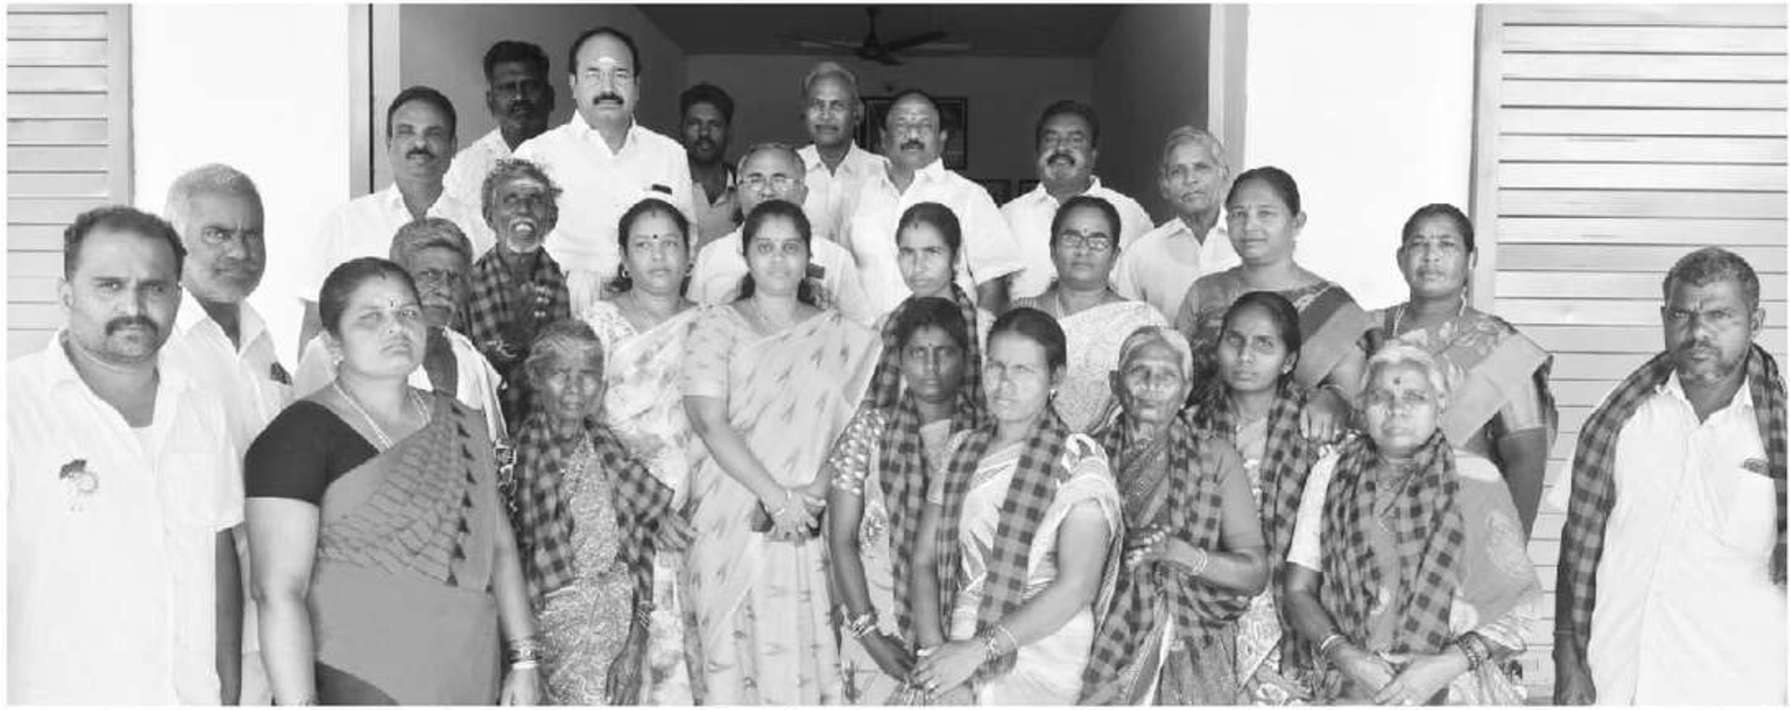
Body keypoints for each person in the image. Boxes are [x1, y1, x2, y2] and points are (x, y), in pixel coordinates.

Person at [246, 258, 541, 705]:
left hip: (467, 669)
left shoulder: (462, 421)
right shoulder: (296, 436)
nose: (395, 327)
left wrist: (524, 659)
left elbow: (498, 547)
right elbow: (278, 591)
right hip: (354, 678)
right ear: (333, 342)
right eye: (371, 317)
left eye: (407, 312)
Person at [9, 206, 242, 704]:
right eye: (109, 286)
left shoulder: (202, 408)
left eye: (154, 287)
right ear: (66, 294)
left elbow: (218, 564)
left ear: (177, 297)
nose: (133, 306)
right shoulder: (15, 407)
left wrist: (227, 696)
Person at [1554, 247, 1786, 705]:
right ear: (1664, 317)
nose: (1698, 332)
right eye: (1682, 315)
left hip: (1741, 687)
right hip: (1618, 680)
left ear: (1755, 322)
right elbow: (1577, 540)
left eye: (1720, 316)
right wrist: (1566, 657)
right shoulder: (1617, 416)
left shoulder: (1782, 431)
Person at [681, 200, 880, 703]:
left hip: (809, 519)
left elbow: (855, 424)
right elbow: (708, 420)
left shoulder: (840, 333)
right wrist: (776, 499)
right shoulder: (714, 325)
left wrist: (810, 495)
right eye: (765, 247)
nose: (778, 259)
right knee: (732, 661)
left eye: (791, 247)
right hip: (731, 519)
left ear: (809, 256)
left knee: (804, 654)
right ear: (745, 254)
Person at [1283, 344, 1541, 705]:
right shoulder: (1331, 473)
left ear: (1441, 402)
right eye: (1380, 397)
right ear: (1362, 404)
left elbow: (1518, 604)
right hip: (1352, 683)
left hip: (1456, 686)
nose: (1396, 409)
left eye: (1415, 397)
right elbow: (1298, 590)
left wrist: (1443, 667)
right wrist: (1347, 657)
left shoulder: (1477, 478)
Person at [909, 307, 1124, 704]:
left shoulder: (1079, 460)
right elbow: (923, 561)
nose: (1004, 383)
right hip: (952, 647)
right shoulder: (961, 450)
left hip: (1043, 652)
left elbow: (1077, 586)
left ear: (1055, 378)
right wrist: (936, 660)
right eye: (996, 366)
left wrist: (977, 652)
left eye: (1023, 370)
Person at [156, 164, 290, 705]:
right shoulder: (159, 345)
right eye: (217, 234)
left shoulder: (261, 337)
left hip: (269, 619)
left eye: (252, 233)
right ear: (176, 241)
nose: (239, 250)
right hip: (189, 627)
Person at [1079, 326, 1267, 704]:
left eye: (1166, 377)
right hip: (1091, 634)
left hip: (1187, 641)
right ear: (1116, 383)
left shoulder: (1215, 457)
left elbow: (1254, 573)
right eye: (1139, 372)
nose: (1151, 385)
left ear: (1185, 391)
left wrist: (1178, 553)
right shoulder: (1086, 456)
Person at [507, 319, 691, 705]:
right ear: (536, 378)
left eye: (588, 375)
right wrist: (525, 660)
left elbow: (637, 552)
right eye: (560, 373)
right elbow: (508, 567)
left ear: (602, 384)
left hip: (618, 633)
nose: (575, 388)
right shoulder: (514, 460)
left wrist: (635, 643)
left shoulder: (609, 450)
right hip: (548, 637)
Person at [824, 297, 983, 703]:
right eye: (918, 353)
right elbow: (841, 540)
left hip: (962, 637)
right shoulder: (868, 431)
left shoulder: (985, 434)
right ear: (899, 359)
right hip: (878, 629)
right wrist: (870, 635)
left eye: (944, 352)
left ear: (965, 358)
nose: (930, 366)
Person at [580, 196, 706, 704]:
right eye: (644, 244)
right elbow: (581, 426)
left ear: (689, 255)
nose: (658, 255)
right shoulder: (599, 323)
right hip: (621, 514)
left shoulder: (713, 323)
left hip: (700, 517)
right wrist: (650, 506)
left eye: (670, 243)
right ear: (624, 258)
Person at [1362, 204, 1555, 534]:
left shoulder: (1501, 346)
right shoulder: (1368, 332)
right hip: (1365, 522)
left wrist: (1508, 547)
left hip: (1461, 528)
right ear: (1400, 258)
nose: (1431, 256)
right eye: (1419, 244)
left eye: (1447, 244)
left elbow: (1526, 459)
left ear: (1472, 259)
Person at [1189, 291, 1326, 704]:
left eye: (1264, 344)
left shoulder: (1317, 431)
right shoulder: (1189, 428)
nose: (1245, 356)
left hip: (1292, 607)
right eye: (1234, 340)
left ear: (1288, 360)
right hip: (1207, 600)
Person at [1174, 165, 1367, 442]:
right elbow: (1173, 372)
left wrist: (1333, 399)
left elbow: (1353, 404)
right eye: (1238, 214)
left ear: (1297, 222)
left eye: (1265, 213)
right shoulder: (1205, 291)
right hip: (1198, 444)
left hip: (1291, 453)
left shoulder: (1334, 309)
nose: (1250, 226)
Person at [299, 86, 494, 350]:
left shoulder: (482, 229)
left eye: (433, 133)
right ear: (389, 144)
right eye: (406, 132)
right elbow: (315, 326)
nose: (420, 144)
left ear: (453, 147)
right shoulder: (345, 223)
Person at [514, 26, 694, 307]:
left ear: (637, 86)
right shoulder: (534, 155)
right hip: (560, 315)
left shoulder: (669, 155)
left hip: (648, 315)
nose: (607, 88)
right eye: (593, 74)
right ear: (573, 84)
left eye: (620, 74)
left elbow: (687, 243)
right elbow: (514, 250)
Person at [293, 218, 506, 443]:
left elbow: (500, 446)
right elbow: (303, 444)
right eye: (429, 275)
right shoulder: (333, 353)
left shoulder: (469, 359)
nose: (445, 289)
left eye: (455, 278)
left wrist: (504, 464)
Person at [839, 89, 1024, 318]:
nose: (913, 133)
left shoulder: (970, 196)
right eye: (902, 125)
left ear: (942, 138)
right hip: (867, 337)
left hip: (948, 338)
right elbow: (840, 274)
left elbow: (993, 285)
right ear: (883, 138)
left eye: (924, 125)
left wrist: (980, 335)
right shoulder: (858, 195)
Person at [1011, 195, 1167, 432]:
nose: (1083, 250)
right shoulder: (1022, 316)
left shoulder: (1143, 322)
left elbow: (1159, 400)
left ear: (1114, 256)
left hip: (1119, 447)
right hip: (1033, 445)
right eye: (1071, 238)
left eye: (1098, 241)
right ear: (1053, 251)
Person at [688, 142, 871, 324]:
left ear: (803, 193)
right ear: (739, 192)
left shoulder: (835, 259)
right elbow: (692, 329)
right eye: (755, 180)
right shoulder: (711, 256)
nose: (767, 191)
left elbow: (859, 330)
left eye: (780, 180)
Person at [1002, 100, 1152, 300]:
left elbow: (1151, 284)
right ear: (1037, 152)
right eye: (1050, 139)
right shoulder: (1009, 216)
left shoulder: (1129, 214)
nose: (1061, 147)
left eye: (1075, 140)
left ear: (1093, 155)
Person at [467, 158, 572, 427]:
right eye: (510, 199)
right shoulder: (466, 286)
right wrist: (512, 341)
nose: (523, 209)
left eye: (535, 200)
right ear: (490, 217)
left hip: (547, 434)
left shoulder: (564, 283)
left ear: (551, 219)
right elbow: (463, 380)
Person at [1111, 126, 1241, 321]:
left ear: (1224, 175)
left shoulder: (1249, 240)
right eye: (1177, 172)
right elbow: (1124, 326)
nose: (1190, 179)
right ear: (1165, 186)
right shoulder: (1141, 254)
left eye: (1201, 168)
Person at [443, 41, 556, 210]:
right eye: (507, 88)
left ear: (550, 97)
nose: (519, 97)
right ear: (490, 102)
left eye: (530, 86)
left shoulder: (576, 160)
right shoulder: (463, 170)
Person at [797, 61, 887, 244]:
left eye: (837, 106)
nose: (825, 115)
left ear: (857, 112)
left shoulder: (884, 172)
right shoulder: (786, 170)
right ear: (805, 111)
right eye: (817, 105)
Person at [682, 82, 740, 249]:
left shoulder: (746, 189)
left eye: (714, 125)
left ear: (729, 132)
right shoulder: (667, 186)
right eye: (695, 123)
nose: (704, 133)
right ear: (681, 129)